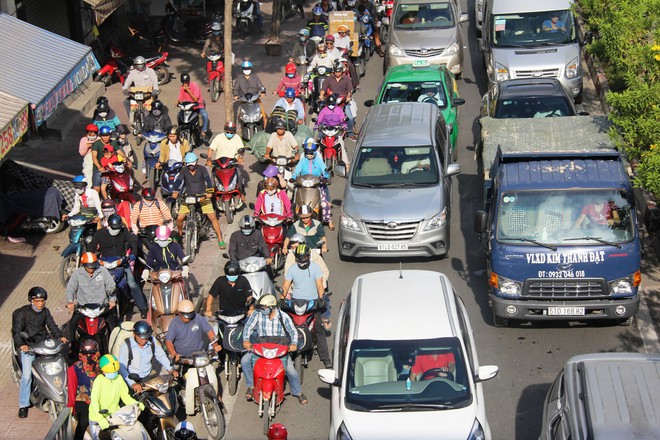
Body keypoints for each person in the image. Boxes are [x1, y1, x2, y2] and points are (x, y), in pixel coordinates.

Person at [241, 294, 308, 405]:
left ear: (272, 307)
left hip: (279, 349)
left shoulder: (283, 316)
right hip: (261, 347)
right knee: (245, 361)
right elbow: (248, 327)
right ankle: (251, 386)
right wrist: (246, 340)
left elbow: (293, 332)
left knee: (290, 370)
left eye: (264, 308)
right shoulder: (257, 314)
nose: (262, 310)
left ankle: (298, 392)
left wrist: (294, 343)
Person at [12, 287, 67, 418]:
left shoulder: (45, 312)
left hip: (43, 345)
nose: (40, 303)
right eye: (37, 301)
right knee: (27, 376)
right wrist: (22, 345)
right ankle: (23, 405)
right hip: (29, 347)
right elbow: (17, 332)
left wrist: (59, 336)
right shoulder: (22, 314)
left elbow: (52, 326)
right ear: (31, 300)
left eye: (42, 301)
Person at [87, 214, 148, 318]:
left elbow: (133, 241)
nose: (116, 231)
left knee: (132, 284)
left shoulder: (124, 232)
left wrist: (133, 254)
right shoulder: (100, 233)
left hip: (121, 263)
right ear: (108, 225)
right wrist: (89, 256)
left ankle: (143, 308)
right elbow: (92, 245)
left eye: (118, 228)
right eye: (114, 228)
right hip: (104, 264)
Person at [281, 244, 332, 368]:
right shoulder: (292, 269)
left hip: (312, 303)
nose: (301, 261)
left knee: (319, 328)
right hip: (296, 302)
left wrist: (321, 299)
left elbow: (320, 286)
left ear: (309, 256)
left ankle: (325, 358)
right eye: (299, 259)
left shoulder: (315, 268)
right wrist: (282, 299)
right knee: (286, 326)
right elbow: (286, 286)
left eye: (303, 258)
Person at [174, 152, 226, 248]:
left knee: (212, 216)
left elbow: (208, 181)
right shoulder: (184, 170)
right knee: (180, 218)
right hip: (188, 196)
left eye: (192, 165)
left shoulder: (202, 169)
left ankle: (220, 239)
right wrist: (175, 191)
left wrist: (209, 192)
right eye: (189, 166)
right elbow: (178, 181)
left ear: (197, 162)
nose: (191, 168)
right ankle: (180, 233)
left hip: (202, 196)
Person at [88, 354, 143, 440]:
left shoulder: (119, 378)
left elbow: (125, 397)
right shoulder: (99, 381)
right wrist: (100, 419)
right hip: (97, 418)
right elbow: (94, 401)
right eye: (110, 372)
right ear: (103, 371)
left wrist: (136, 404)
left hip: (114, 416)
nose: (113, 374)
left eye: (115, 371)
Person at [65, 252, 117, 341]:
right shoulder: (77, 273)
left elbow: (111, 286)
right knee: (72, 325)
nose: (91, 268)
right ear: (84, 265)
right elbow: (70, 288)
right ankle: (73, 347)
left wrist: (112, 300)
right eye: (89, 266)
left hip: (102, 308)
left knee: (113, 328)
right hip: (83, 308)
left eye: (93, 265)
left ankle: (112, 348)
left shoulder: (103, 271)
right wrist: (70, 301)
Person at [118, 321, 177, 394]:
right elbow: (121, 367)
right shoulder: (127, 345)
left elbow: (161, 356)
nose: (144, 340)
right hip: (133, 378)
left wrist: (171, 369)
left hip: (148, 377)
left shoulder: (152, 340)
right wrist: (132, 383)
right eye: (142, 338)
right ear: (134, 334)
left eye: (146, 338)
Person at [291, 139, 333, 227]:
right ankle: (291, 218)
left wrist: (325, 177)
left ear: (314, 152)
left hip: (316, 184)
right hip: (303, 184)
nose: (309, 155)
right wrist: (293, 177)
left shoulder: (318, 160)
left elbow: (325, 170)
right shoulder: (302, 161)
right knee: (294, 201)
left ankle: (328, 220)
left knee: (324, 204)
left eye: (311, 153)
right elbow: (297, 170)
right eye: (307, 153)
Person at [67, 339, 101, 440]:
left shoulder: (103, 365)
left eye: (92, 353)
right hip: (83, 399)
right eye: (85, 353)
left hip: (100, 399)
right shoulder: (75, 367)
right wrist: (71, 404)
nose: (88, 356)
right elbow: (72, 387)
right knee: (83, 423)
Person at [320, 64, 356, 139]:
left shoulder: (347, 79)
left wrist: (348, 97)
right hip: (331, 100)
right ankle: (321, 134)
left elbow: (349, 90)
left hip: (343, 100)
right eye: (336, 71)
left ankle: (350, 133)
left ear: (342, 71)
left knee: (350, 117)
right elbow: (323, 88)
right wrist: (321, 95)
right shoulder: (329, 78)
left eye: (339, 71)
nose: (337, 73)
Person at [233, 60, 268, 129]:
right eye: (245, 69)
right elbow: (236, 89)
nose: (247, 70)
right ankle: (238, 129)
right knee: (239, 116)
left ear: (251, 69)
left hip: (255, 100)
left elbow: (261, 86)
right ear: (242, 70)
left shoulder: (255, 78)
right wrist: (235, 95)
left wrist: (263, 92)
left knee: (264, 115)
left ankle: (265, 131)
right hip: (243, 100)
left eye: (248, 68)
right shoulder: (239, 79)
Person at [91, 126, 126, 193]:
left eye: (107, 135)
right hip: (100, 168)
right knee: (96, 189)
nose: (105, 137)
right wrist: (99, 167)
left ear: (110, 135)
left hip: (113, 167)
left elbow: (120, 152)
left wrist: (127, 160)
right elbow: (94, 156)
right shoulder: (96, 144)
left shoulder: (113, 143)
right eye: (103, 136)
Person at [178, 73, 210, 143]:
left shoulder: (194, 85)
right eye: (183, 82)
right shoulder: (182, 88)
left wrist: (188, 90)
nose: (185, 84)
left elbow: (195, 98)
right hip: (188, 107)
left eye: (186, 82)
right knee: (179, 115)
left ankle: (203, 132)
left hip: (197, 106)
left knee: (204, 115)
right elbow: (180, 98)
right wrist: (178, 102)